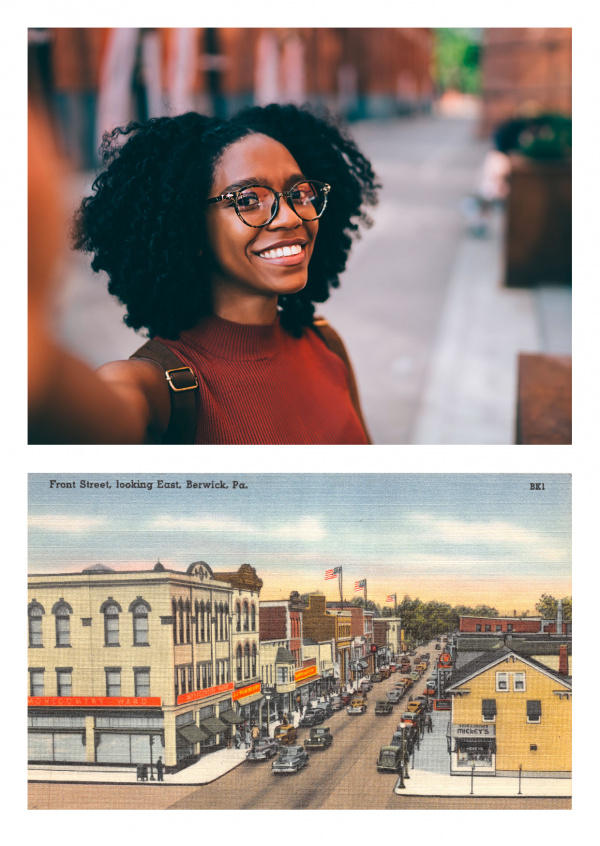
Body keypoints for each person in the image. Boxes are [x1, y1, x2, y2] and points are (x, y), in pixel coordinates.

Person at [32, 103, 379, 445]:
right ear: (191, 228)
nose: (290, 217)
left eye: (300, 193)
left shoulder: (326, 344)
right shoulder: (155, 389)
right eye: (247, 200)